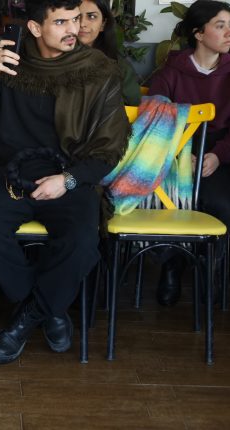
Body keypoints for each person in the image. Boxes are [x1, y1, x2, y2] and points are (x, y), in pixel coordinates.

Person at [0, 0, 129, 364]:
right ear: (35, 28)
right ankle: (50, 309)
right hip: (11, 175)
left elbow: (109, 148)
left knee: (82, 243)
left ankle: (25, 319)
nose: (74, 29)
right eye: (61, 22)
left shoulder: (98, 69)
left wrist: (68, 180)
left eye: (76, 20)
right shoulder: (8, 64)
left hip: (71, 175)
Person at [147, 0, 230, 306]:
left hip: (220, 154)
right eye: (220, 26)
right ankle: (172, 264)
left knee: (222, 202)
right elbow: (153, 121)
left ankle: (213, 271)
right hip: (176, 154)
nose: (229, 33)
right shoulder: (170, 71)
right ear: (198, 33)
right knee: (169, 198)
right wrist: (180, 155)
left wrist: (218, 155)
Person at [76, 0, 141, 105]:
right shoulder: (54, 59)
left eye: (91, 16)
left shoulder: (118, 65)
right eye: (76, 17)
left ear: (103, 24)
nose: (82, 24)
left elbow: (133, 104)